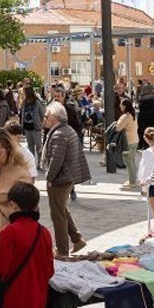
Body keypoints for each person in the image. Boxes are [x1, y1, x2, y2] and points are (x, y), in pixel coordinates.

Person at [41, 101, 90, 256]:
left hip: (60, 179)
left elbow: (56, 160)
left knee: (57, 215)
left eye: (47, 116)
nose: (44, 118)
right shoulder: (66, 130)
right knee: (62, 210)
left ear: (55, 117)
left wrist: (49, 178)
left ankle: (62, 250)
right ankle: (77, 239)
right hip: (67, 177)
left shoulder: (59, 134)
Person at [117, 98, 141, 190]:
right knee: (132, 160)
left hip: (128, 141)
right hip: (135, 139)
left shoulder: (125, 117)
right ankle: (133, 179)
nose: (120, 106)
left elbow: (118, 128)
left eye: (121, 104)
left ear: (125, 106)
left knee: (128, 161)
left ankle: (132, 181)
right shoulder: (133, 115)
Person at [18, 86, 43, 160]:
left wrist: (42, 124)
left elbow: (42, 114)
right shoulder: (24, 102)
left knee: (38, 146)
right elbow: (21, 114)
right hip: (27, 127)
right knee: (30, 146)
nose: (23, 94)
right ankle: (31, 161)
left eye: (24, 92)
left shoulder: (37, 102)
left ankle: (40, 162)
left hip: (36, 127)